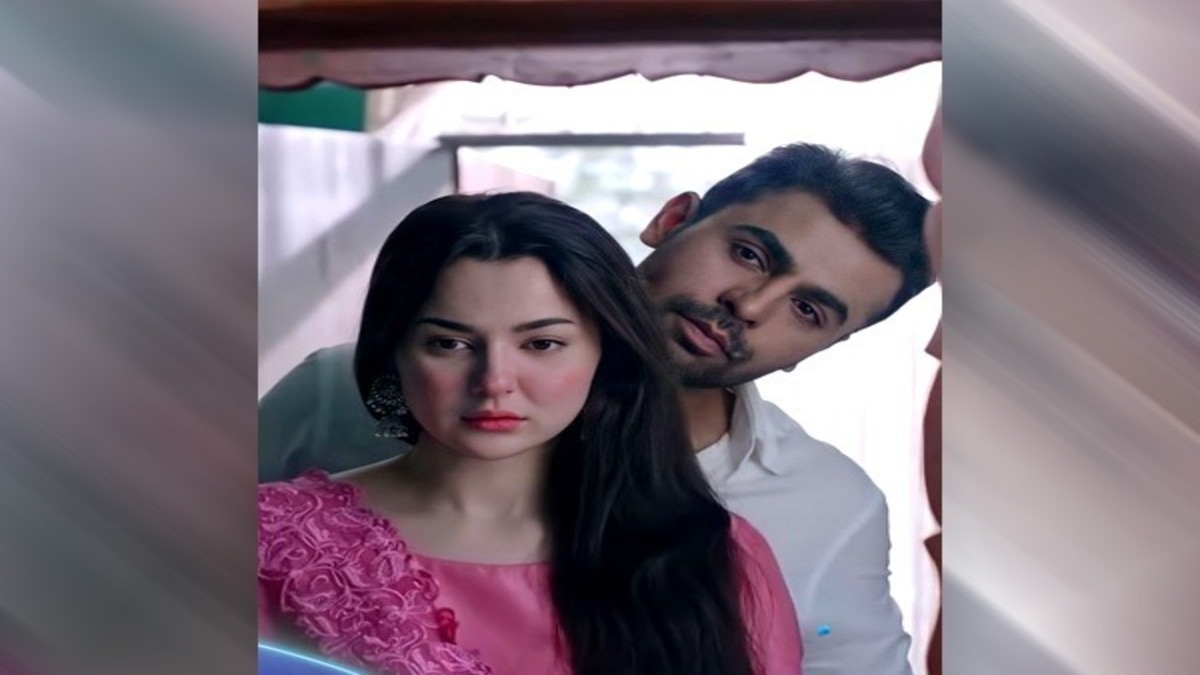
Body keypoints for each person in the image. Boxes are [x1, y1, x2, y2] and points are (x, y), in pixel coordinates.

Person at [260, 143, 933, 674]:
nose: (749, 304)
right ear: (672, 219)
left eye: (808, 310)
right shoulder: (335, 392)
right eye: (748, 254)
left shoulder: (824, 507)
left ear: (824, 347)